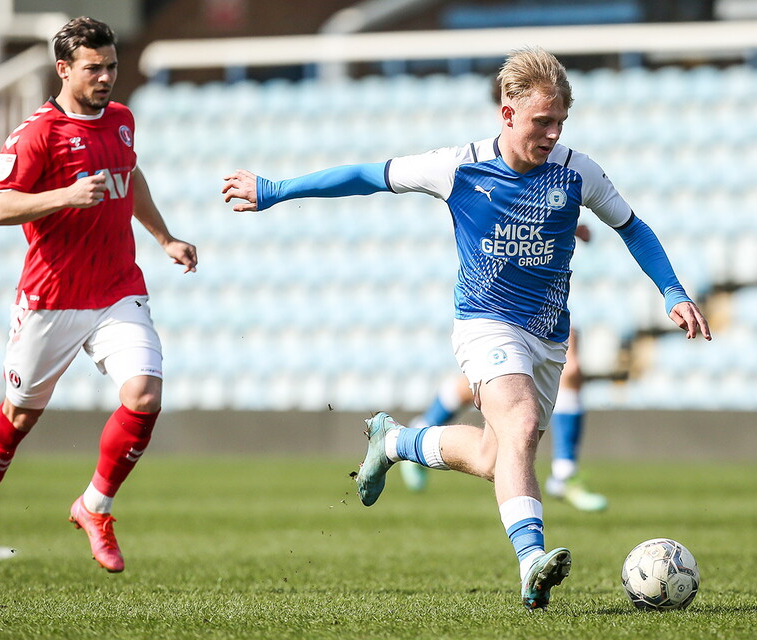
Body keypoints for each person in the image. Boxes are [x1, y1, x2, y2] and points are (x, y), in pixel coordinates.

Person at [222, 47, 711, 611]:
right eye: (541, 122)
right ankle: (532, 563)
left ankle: (396, 441)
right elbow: (365, 175)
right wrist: (275, 190)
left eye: (560, 123)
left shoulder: (580, 173)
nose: (553, 134)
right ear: (507, 113)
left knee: (492, 455)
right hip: (485, 325)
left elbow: (633, 227)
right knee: (521, 424)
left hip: (547, 336)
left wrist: (672, 291)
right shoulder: (458, 166)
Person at [0, 16, 197, 589]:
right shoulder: (36, 133)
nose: (107, 76)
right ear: (63, 69)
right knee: (19, 418)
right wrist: (64, 194)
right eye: (94, 67)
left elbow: (128, 177)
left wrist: (165, 238)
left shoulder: (121, 120)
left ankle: (95, 505)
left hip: (117, 287)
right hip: (52, 297)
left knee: (145, 393)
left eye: (111, 65)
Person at [401, 230, 608, 513]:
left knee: (570, 372)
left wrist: (571, 223)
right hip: (503, 295)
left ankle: (564, 473)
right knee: (488, 386)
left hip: (551, 290)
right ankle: (420, 429)